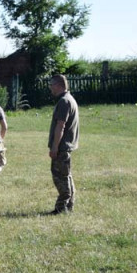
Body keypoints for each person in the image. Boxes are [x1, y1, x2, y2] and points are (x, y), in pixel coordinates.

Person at [48, 74, 80, 214]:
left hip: (62, 146)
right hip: (65, 145)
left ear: (58, 85)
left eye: (51, 85)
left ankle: (62, 207)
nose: (50, 88)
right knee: (66, 175)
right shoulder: (69, 99)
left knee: (59, 177)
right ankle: (69, 205)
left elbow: (60, 126)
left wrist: (55, 147)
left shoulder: (64, 101)